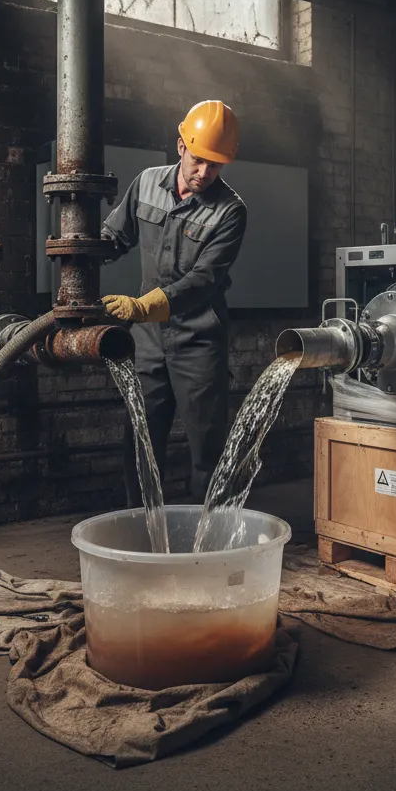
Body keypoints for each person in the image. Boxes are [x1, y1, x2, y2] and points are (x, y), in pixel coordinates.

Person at [100, 100, 247, 503]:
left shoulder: (230, 212)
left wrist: (145, 305)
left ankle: (207, 542)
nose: (204, 173)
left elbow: (204, 280)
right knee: (140, 447)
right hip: (147, 342)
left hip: (198, 343)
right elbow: (116, 236)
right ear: (181, 146)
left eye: (215, 166)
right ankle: (143, 535)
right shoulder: (147, 183)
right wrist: (80, 248)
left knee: (208, 454)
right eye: (199, 160)